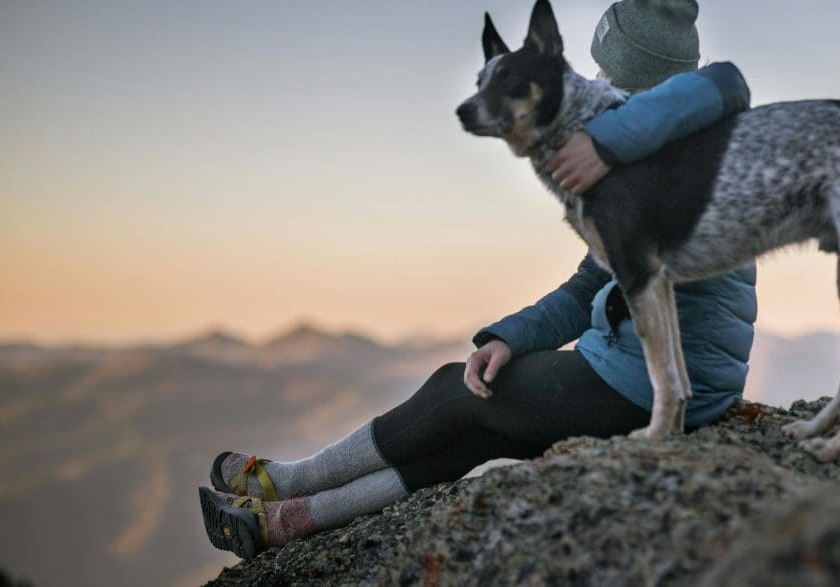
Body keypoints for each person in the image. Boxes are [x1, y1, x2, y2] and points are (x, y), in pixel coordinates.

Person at [199, 0, 757, 559]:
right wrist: (509, 336)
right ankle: (283, 524)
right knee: (475, 429)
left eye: (606, 74)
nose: (593, 84)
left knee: (455, 390)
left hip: (661, 384)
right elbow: (591, 283)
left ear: (640, 84)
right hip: (649, 370)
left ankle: (290, 483)